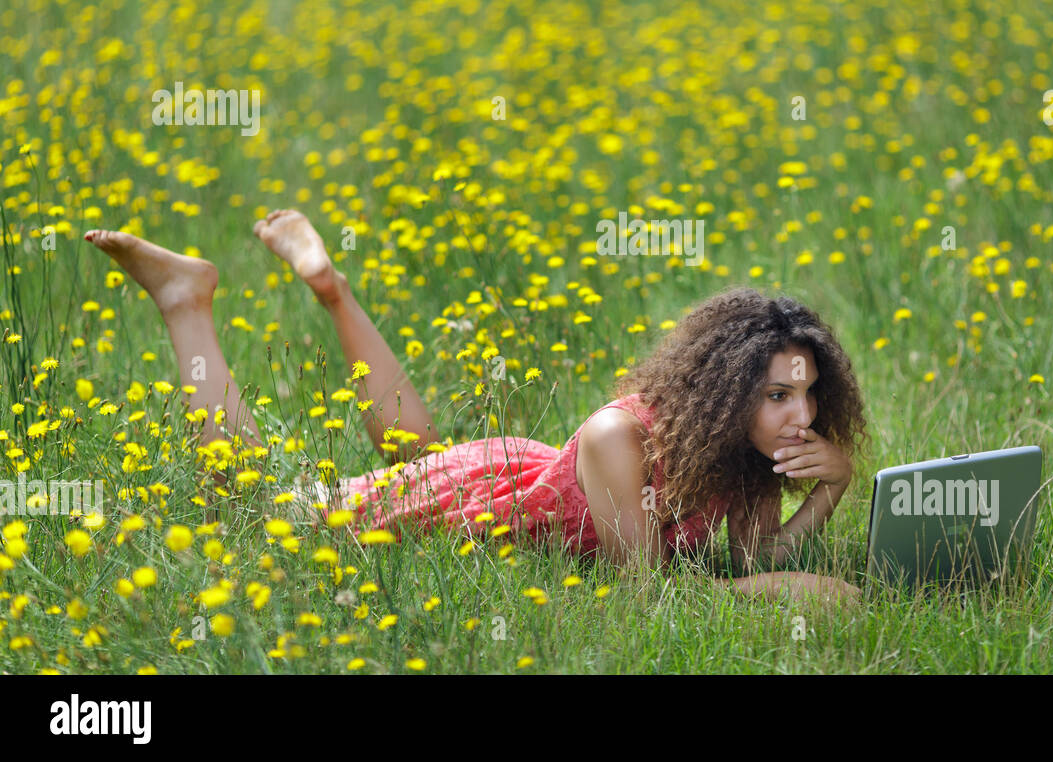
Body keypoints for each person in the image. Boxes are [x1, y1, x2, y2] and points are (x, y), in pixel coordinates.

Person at [84, 210, 868, 602]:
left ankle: (331, 287)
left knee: (417, 457)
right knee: (252, 510)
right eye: (776, 395)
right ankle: (187, 301)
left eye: (806, 394)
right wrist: (771, 597)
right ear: (726, 392)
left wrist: (830, 484)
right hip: (484, 501)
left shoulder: (739, 457)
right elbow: (648, 598)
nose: (799, 415)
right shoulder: (616, 437)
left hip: (514, 483)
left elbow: (757, 559)